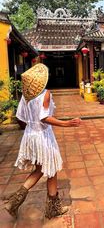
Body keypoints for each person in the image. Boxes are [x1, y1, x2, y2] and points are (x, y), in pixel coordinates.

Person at [3, 63, 81, 219]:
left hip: (30, 135)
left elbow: (21, 118)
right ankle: (52, 208)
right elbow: (44, 117)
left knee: (40, 170)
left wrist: (31, 128)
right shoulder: (45, 94)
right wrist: (67, 123)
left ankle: (14, 202)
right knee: (50, 169)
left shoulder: (26, 97)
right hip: (43, 137)